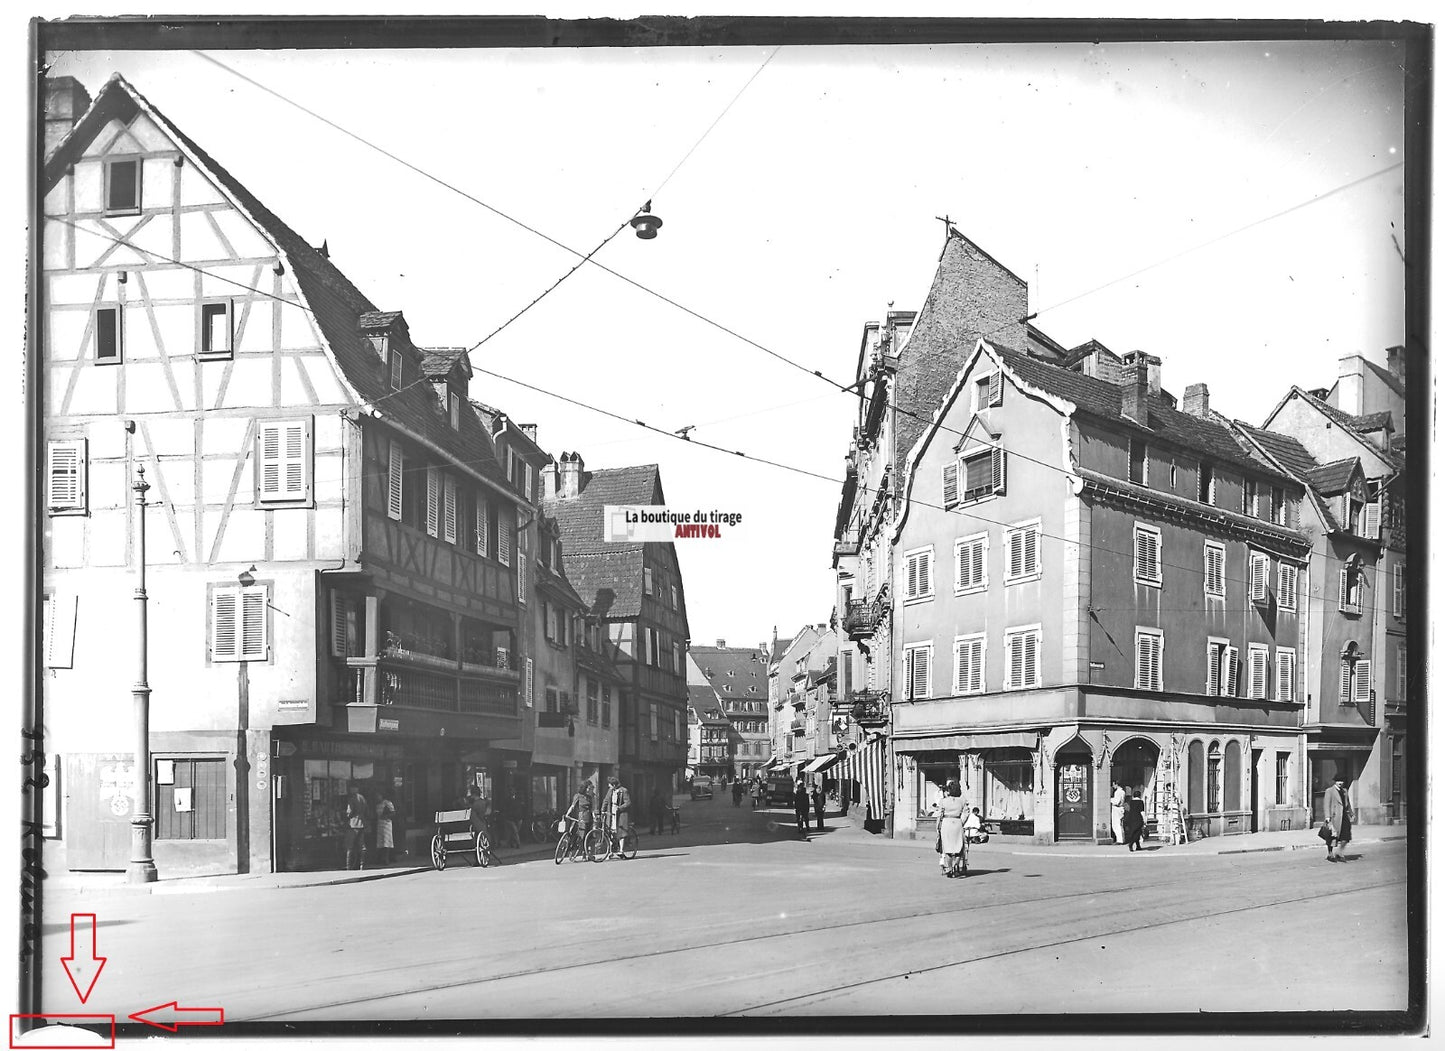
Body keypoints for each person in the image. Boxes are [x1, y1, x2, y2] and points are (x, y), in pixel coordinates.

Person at [937, 780, 967, 877]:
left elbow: (939, 815)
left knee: (947, 847)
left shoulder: (943, 801)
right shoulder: (962, 801)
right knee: (959, 847)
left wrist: (938, 827)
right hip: (957, 822)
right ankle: (956, 865)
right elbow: (966, 813)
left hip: (946, 823)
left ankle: (949, 869)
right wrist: (961, 821)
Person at [1323, 774, 1354, 862]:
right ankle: (1330, 854)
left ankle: (1339, 853)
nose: (1340, 783)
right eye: (1338, 781)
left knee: (1346, 836)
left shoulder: (1344, 791)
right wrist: (1327, 817)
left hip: (1344, 816)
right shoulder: (1330, 791)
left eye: (1341, 781)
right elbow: (1326, 804)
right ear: (1335, 782)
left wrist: (1351, 813)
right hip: (1334, 817)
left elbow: (1347, 804)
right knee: (1332, 837)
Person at [343, 783, 369, 871]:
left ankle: (348, 866)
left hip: (353, 824)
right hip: (362, 823)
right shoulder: (362, 798)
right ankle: (362, 865)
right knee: (361, 845)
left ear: (354, 789)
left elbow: (349, 812)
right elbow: (367, 810)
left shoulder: (352, 799)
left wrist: (347, 816)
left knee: (349, 846)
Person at [564, 781, 594, 847]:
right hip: (582, 816)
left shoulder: (589, 797)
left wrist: (594, 817)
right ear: (584, 788)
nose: (589, 790)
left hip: (589, 817)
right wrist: (567, 814)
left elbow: (592, 809)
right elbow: (572, 806)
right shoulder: (578, 796)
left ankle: (586, 850)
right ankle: (575, 846)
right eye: (588, 788)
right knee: (582, 834)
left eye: (590, 788)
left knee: (588, 835)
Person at [373, 791, 396, 865]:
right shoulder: (377, 805)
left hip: (386, 824)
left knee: (386, 842)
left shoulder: (387, 803)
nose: (377, 798)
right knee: (380, 843)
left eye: (378, 796)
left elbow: (393, 812)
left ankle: (386, 859)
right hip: (379, 824)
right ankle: (379, 859)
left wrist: (386, 816)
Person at [1121, 787, 1144, 852]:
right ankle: (1131, 844)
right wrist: (1144, 819)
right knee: (1138, 832)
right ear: (1140, 795)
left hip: (1131, 818)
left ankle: (1138, 846)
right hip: (1138, 818)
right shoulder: (1140, 802)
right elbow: (1142, 811)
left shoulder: (1131, 802)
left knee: (1133, 831)